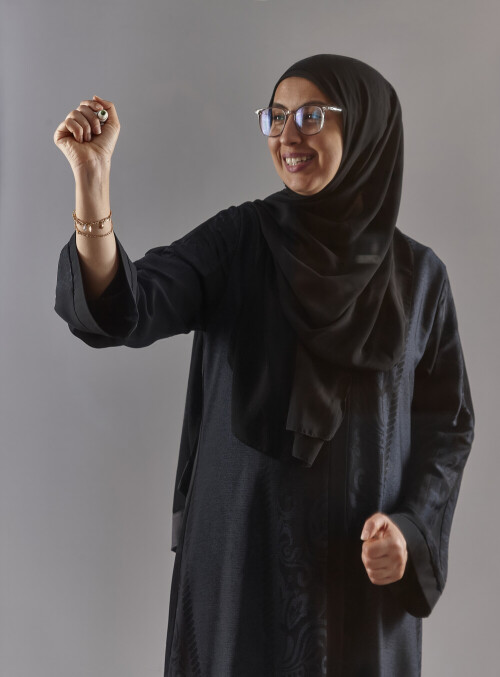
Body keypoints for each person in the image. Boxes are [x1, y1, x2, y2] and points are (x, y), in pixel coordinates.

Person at [53, 54, 475, 677]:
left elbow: (448, 427)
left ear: (365, 127)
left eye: (311, 115)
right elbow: (130, 306)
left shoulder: (418, 280)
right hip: (240, 571)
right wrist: (92, 184)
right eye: (276, 117)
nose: (287, 135)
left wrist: (411, 533)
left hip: (359, 582)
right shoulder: (241, 242)